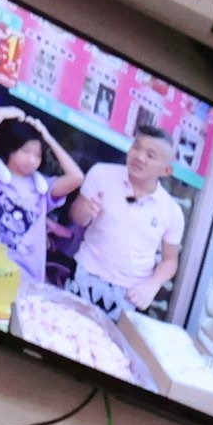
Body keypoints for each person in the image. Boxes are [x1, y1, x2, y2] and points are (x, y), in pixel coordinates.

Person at [67, 123, 189, 315]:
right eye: (136, 147)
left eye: (150, 155)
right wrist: (86, 209)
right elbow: (77, 217)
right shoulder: (101, 173)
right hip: (85, 272)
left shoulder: (172, 212)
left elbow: (170, 261)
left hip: (130, 293)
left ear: (166, 171)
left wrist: (153, 285)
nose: (139, 157)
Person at [0, 107, 82, 285]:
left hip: (24, 280)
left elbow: (77, 177)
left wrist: (48, 139)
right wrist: (3, 113)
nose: (32, 160)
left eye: (38, 155)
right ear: (11, 148)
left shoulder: (43, 189)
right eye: (26, 152)